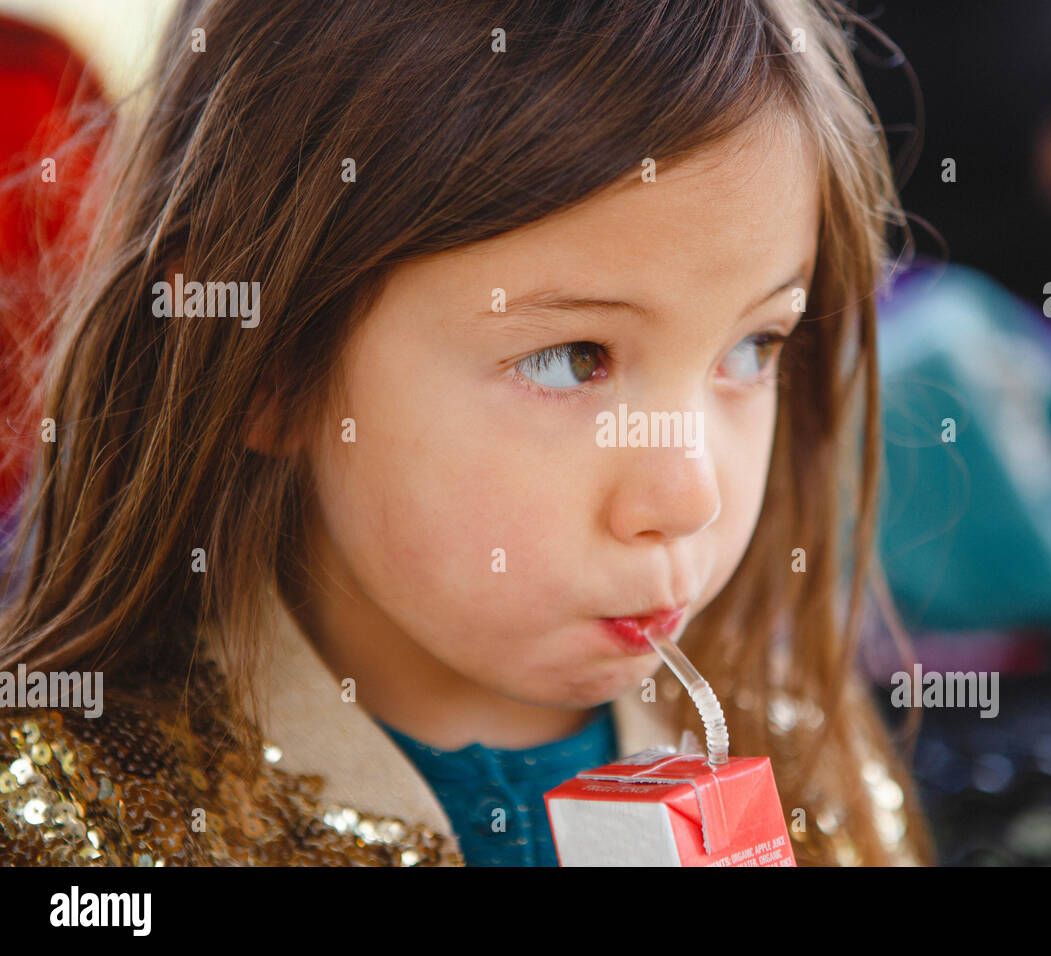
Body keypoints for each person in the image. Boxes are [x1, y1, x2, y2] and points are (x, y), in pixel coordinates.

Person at [0, 0, 935, 867]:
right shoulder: (87, 820)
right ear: (262, 365)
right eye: (573, 358)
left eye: (751, 347)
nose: (692, 497)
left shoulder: (809, 757)